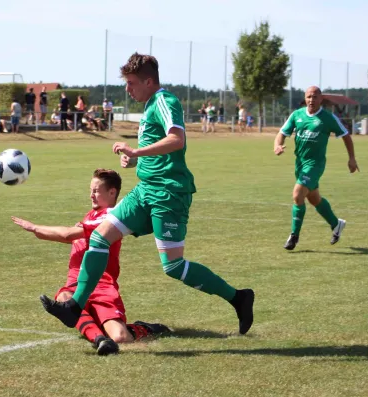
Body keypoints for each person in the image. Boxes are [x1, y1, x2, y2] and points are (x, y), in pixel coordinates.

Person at [39, 52, 255, 336]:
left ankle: (238, 297)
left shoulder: (166, 101)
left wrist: (137, 151)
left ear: (149, 80)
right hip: (145, 191)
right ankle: (74, 306)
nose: (127, 89)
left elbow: (177, 139)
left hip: (168, 193)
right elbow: (159, 152)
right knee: (100, 236)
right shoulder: (151, 104)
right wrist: (137, 161)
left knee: (174, 266)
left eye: (131, 83)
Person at [12, 169, 170, 355]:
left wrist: (34, 228)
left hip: (102, 286)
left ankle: (142, 328)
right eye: (91, 190)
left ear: (112, 192)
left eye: (96, 191)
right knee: (64, 297)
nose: (91, 195)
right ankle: (100, 339)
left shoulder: (112, 218)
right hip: (76, 284)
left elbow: (67, 235)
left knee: (121, 337)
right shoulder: (91, 215)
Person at [274, 86, 359, 251]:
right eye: (308, 97)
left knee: (298, 195)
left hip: (315, 164)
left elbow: (346, 136)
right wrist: (278, 145)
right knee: (313, 199)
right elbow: (282, 133)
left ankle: (294, 236)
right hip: (300, 163)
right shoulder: (297, 115)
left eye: (314, 97)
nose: (311, 100)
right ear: (305, 99)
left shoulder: (327, 118)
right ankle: (336, 224)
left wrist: (352, 159)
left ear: (321, 99)